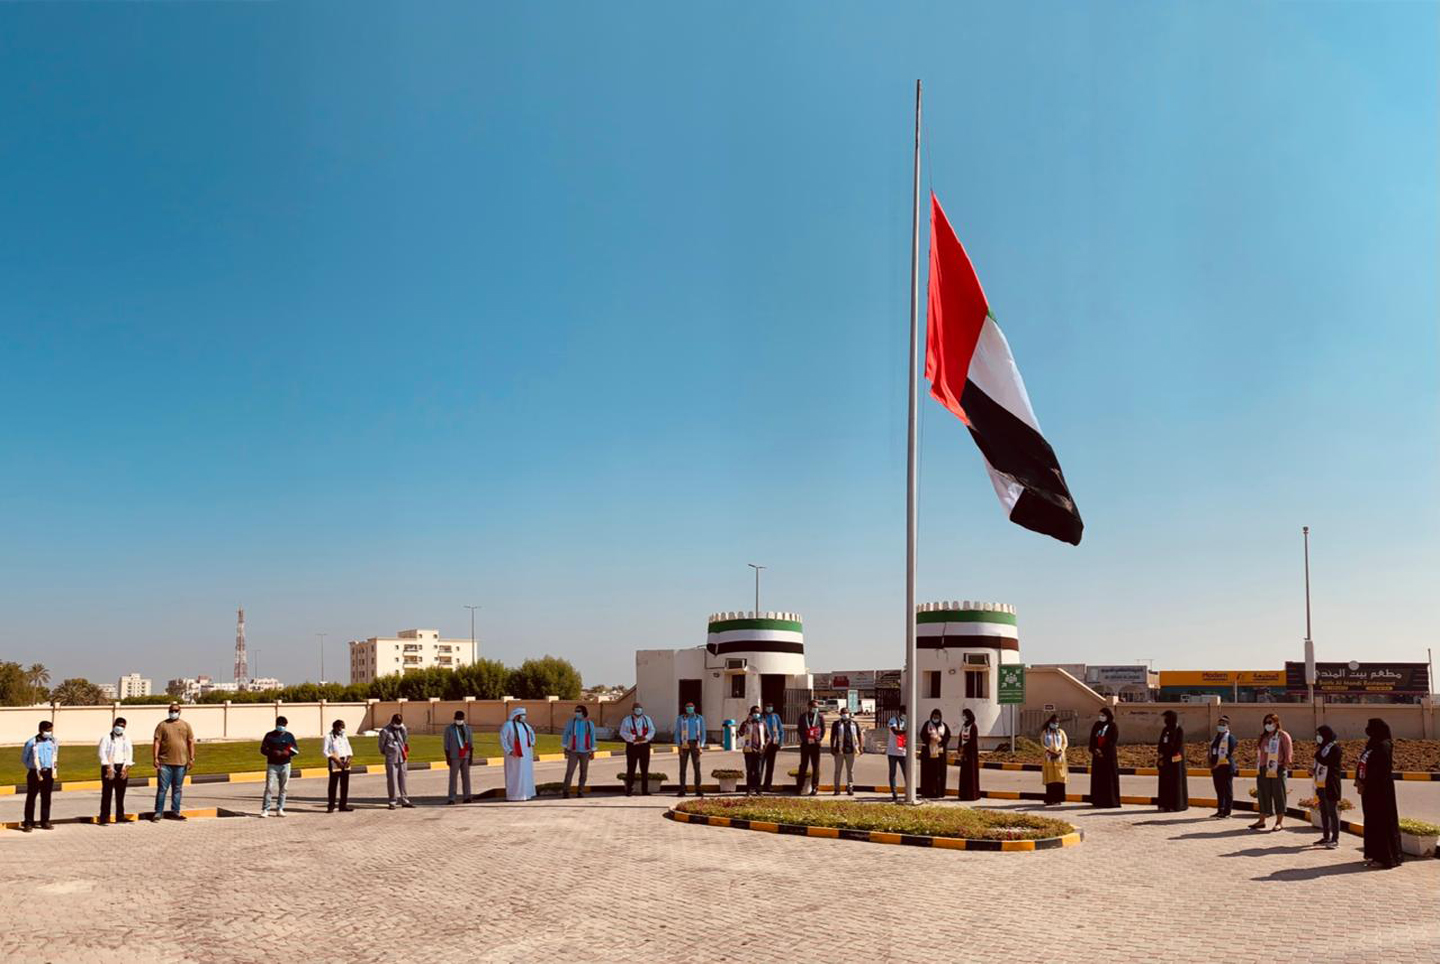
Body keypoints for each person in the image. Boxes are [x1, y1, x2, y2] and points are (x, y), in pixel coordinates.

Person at [1357, 717, 1402, 868]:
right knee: (1372, 822)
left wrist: (1367, 782)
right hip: (1370, 791)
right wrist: (1360, 780)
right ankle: (1375, 854)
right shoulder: (1372, 744)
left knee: (1381, 822)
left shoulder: (1384, 746)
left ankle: (1385, 857)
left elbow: (1380, 770)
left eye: (1370, 727)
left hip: (1380, 791)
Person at [151, 702, 195, 822]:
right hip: (164, 762)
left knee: (177, 789)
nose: (173, 712)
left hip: (181, 763)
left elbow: (190, 741)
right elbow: (157, 742)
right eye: (171, 710)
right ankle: (158, 812)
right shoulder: (162, 725)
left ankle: (175, 812)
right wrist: (155, 758)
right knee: (162, 789)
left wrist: (192, 758)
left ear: (180, 712)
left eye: (176, 711)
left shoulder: (186, 725)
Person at [1250, 712, 1291, 831]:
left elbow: (1288, 754)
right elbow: (1260, 753)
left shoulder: (1283, 736)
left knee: (1279, 795)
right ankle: (1261, 820)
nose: (1267, 725)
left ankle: (1279, 822)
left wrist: (1283, 767)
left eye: (1270, 722)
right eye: (1265, 723)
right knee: (1263, 794)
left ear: (1276, 722)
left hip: (1277, 768)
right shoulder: (1263, 736)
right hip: (1263, 768)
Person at [259, 715, 299, 817]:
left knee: (284, 788)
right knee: (269, 787)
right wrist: (272, 752)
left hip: (285, 764)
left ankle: (280, 808)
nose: (281, 727)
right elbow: (263, 749)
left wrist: (288, 752)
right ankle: (265, 809)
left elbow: (295, 750)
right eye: (280, 725)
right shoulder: (270, 736)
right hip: (272, 765)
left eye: (283, 725)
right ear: (276, 725)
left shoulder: (289, 736)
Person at [21, 720, 57, 832]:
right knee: (31, 798)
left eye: (50, 730)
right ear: (41, 730)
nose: (49, 732)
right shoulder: (32, 742)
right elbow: (24, 758)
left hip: (48, 772)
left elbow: (55, 755)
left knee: (46, 798)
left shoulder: (53, 741)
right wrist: (33, 767)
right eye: (47, 730)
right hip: (35, 773)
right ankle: (28, 822)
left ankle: (45, 821)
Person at [97, 717, 133, 826]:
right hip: (109, 767)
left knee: (120, 793)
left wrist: (126, 768)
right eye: (119, 725)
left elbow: (129, 754)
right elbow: (101, 753)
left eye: (122, 726)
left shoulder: (126, 738)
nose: (120, 728)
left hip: (121, 767)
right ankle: (104, 817)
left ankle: (120, 816)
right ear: (114, 725)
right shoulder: (106, 738)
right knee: (107, 793)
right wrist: (108, 767)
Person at [1313, 724, 1342, 849]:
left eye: (1320, 734)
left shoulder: (1335, 748)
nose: (1318, 737)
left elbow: (1326, 761)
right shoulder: (1322, 748)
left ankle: (1335, 839)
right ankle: (1325, 836)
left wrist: (1317, 754)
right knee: (1323, 811)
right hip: (1320, 783)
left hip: (1331, 783)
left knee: (1332, 812)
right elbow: (1319, 764)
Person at [500, 706, 536, 802]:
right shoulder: (508, 725)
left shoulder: (525, 726)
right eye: (522, 715)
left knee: (525, 774)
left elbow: (532, 734)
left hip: (526, 756)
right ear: (516, 716)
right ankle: (514, 796)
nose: (524, 717)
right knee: (514, 774)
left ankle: (525, 794)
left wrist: (531, 743)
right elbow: (503, 739)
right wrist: (509, 751)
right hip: (513, 756)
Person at [1087, 706, 1121, 808]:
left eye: (1103, 715)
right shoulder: (1097, 725)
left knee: (1109, 778)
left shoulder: (1113, 726)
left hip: (1108, 757)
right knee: (1098, 778)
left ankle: (1110, 801)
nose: (1101, 717)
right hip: (1097, 757)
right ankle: (1097, 800)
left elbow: (1112, 741)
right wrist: (1095, 749)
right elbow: (1092, 738)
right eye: (1100, 715)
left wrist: (1103, 751)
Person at [378, 713, 414, 810]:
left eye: (400, 722)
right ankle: (392, 801)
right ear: (393, 721)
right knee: (392, 781)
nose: (399, 724)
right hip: (391, 759)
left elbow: (405, 740)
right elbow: (381, 746)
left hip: (402, 758)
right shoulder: (385, 731)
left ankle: (405, 800)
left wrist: (403, 728)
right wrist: (389, 751)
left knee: (403, 780)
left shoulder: (402, 729)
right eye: (397, 722)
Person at [1156, 709, 1189, 812]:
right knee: (1165, 782)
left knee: (1175, 782)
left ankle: (1175, 805)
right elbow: (1161, 743)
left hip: (1175, 761)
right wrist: (1161, 755)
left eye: (1167, 718)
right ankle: (1164, 804)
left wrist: (1170, 755)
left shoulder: (1179, 730)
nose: (1165, 720)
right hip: (1165, 760)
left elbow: (1177, 746)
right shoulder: (1165, 730)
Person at [620, 703, 655, 796]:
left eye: (640, 709)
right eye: (636, 709)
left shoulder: (647, 719)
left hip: (644, 746)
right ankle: (629, 790)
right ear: (632, 710)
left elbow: (652, 730)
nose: (638, 710)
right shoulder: (626, 720)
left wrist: (646, 737)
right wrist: (634, 737)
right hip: (632, 746)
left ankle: (645, 790)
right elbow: (622, 732)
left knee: (644, 768)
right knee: (631, 768)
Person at [562, 704, 597, 798]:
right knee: (570, 771)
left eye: (579, 711)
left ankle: (580, 791)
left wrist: (593, 751)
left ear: (584, 712)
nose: (577, 713)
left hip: (585, 751)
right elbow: (565, 734)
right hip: (573, 751)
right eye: (576, 711)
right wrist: (565, 747)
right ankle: (566, 791)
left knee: (583, 772)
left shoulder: (589, 723)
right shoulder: (571, 722)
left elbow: (593, 736)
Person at [1208, 715, 1238, 818]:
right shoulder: (1216, 737)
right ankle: (1220, 809)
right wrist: (1211, 763)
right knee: (1219, 790)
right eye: (1219, 724)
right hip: (1216, 769)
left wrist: (1217, 764)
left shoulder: (1230, 738)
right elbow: (1212, 751)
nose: (1221, 726)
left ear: (1227, 725)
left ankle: (1227, 811)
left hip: (1226, 767)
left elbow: (1228, 753)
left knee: (1227, 790)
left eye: (1223, 724)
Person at [674, 701, 706, 797]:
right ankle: (682, 789)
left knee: (697, 767)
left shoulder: (699, 718)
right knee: (682, 768)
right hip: (684, 744)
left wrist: (701, 745)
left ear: (694, 707)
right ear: (685, 708)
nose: (689, 708)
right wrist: (678, 745)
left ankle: (698, 789)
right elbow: (677, 732)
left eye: (691, 707)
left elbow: (703, 732)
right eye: (687, 707)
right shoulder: (681, 718)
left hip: (695, 744)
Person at [830, 706, 862, 795]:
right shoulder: (836, 724)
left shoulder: (854, 723)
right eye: (843, 713)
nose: (845, 714)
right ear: (840, 714)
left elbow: (859, 735)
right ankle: (837, 788)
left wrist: (861, 747)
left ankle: (850, 787)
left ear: (849, 713)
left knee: (850, 770)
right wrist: (832, 748)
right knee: (837, 770)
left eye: (846, 712)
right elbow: (833, 737)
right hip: (839, 750)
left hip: (851, 750)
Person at [795, 699, 826, 796]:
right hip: (805, 744)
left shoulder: (820, 717)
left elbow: (823, 729)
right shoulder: (803, 716)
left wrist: (819, 739)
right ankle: (800, 787)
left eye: (817, 707)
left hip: (815, 745)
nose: (815, 709)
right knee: (803, 766)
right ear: (808, 707)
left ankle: (815, 787)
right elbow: (799, 729)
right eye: (814, 707)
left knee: (815, 767)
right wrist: (805, 739)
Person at [444, 711, 475, 805]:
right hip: (454, 756)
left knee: (466, 777)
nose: (459, 720)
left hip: (465, 756)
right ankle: (452, 798)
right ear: (454, 718)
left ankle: (467, 796)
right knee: (453, 778)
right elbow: (446, 744)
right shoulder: (449, 729)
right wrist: (447, 757)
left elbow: (471, 743)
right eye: (458, 719)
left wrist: (471, 757)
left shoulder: (468, 728)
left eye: (461, 719)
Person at [323, 718, 354, 813]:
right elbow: (325, 751)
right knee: (333, 784)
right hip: (335, 762)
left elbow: (348, 748)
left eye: (343, 728)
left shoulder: (344, 736)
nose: (342, 730)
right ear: (335, 727)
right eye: (341, 728)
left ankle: (343, 805)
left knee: (344, 785)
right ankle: (331, 805)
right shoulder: (328, 737)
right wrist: (336, 761)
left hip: (345, 761)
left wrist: (349, 759)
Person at [919, 709, 950, 799]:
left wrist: (941, 741)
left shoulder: (944, 726)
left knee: (939, 772)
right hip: (928, 753)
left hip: (940, 753)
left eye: (937, 716)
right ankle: (927, 792)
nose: (936, 718)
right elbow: (922, 735)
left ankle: (939, 792)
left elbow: (947, 736)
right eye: (934, 716)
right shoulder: (927, 725)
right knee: (928, 772)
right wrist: (930, 738)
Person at [737, 706, 769, 796]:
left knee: (758, 771)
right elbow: (741, 733)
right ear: (751, 713)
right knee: (750, 771)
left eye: (758, 712)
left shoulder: (763, 723)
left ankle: (758, 789)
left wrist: (764, 747)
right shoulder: (746, 724)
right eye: (754, 712)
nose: (756, 714)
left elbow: (768, 737)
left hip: (760, 751)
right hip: (749, 751)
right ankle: (749, 789)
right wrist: (745, 723)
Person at [1041, 715, 1068, 806]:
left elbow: (1065, 743)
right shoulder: (1045, 733)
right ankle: (1050, 799)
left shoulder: (1061, 732)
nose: (1055, 724)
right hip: (1049, 757)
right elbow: (1042, 744)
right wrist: (1049, 751)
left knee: (1059, 778)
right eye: (1054, 722)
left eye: (1057, 722)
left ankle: (1058, 799)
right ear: (1050, 722)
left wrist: (1060, 751)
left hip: (1059, 758)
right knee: (1050, 779)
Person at [956, 708, 981, 801]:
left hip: (971, 755)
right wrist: (959, 747)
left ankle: (972, 794)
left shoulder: (973, 726)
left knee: (971, 774)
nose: (963, 717)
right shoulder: (964, 726)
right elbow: (960, 737)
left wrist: (966, 750)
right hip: (964, 753)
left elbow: (973, 741)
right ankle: (963, 794)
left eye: (964, 715)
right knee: (964, 774)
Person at [760, 702, 784, 792]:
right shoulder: (761, 717)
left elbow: (780, 730)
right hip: (763, 744)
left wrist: (780, 743)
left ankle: (768, 785)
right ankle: (758, 785)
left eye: (771, 706)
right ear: (764, 707)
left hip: (773, 744)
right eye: (767, 706)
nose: (769, 708)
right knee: (760, 766)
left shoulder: (775, 717)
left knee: (770, 767)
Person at [886, 705, 908, 802]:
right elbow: (895, 731)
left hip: (903, 752)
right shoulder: (893, 720)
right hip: (893, 751)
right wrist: (907, 731)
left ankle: (909, 791)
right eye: (904, 711)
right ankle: (894, 793)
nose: (906, 713)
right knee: (892, 773)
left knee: (907, 773)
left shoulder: (906, 722)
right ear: (900, 711)